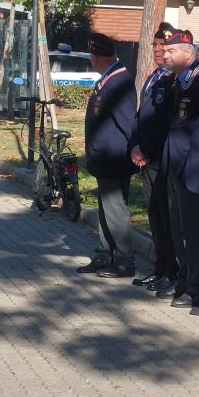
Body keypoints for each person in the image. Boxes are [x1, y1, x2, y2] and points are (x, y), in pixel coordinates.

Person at [160, 29, 199, 307]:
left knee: (192, 229)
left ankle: (198, 286)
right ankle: (184, 278)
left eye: (172, 51)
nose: (166, 55)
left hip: (192, 166)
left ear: (188, 53)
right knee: (177, 225)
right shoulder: (177, 80)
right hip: (174, 161)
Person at [77, 33, 137, 278]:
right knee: (106, 209)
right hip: (104, 159)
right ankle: (105, 254)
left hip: (114, 159)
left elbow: (127, 123)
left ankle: (123, 260)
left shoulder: (119, 81)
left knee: (115, 210)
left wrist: (135, 150)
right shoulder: (108, 79)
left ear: (96, 57)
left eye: (92, 55)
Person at [130, 22, 178, 291]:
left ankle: (172, 271)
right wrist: (135, 146)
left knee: (168, 219)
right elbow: (142, 117)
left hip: (160, 159)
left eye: (164, 47)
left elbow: (166, 124)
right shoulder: (153, 77)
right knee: (154, 217)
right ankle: (160, 268)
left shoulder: (174, 80)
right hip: (145, 158)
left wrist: (146, 150)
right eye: (157, 46)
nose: (159, 50)